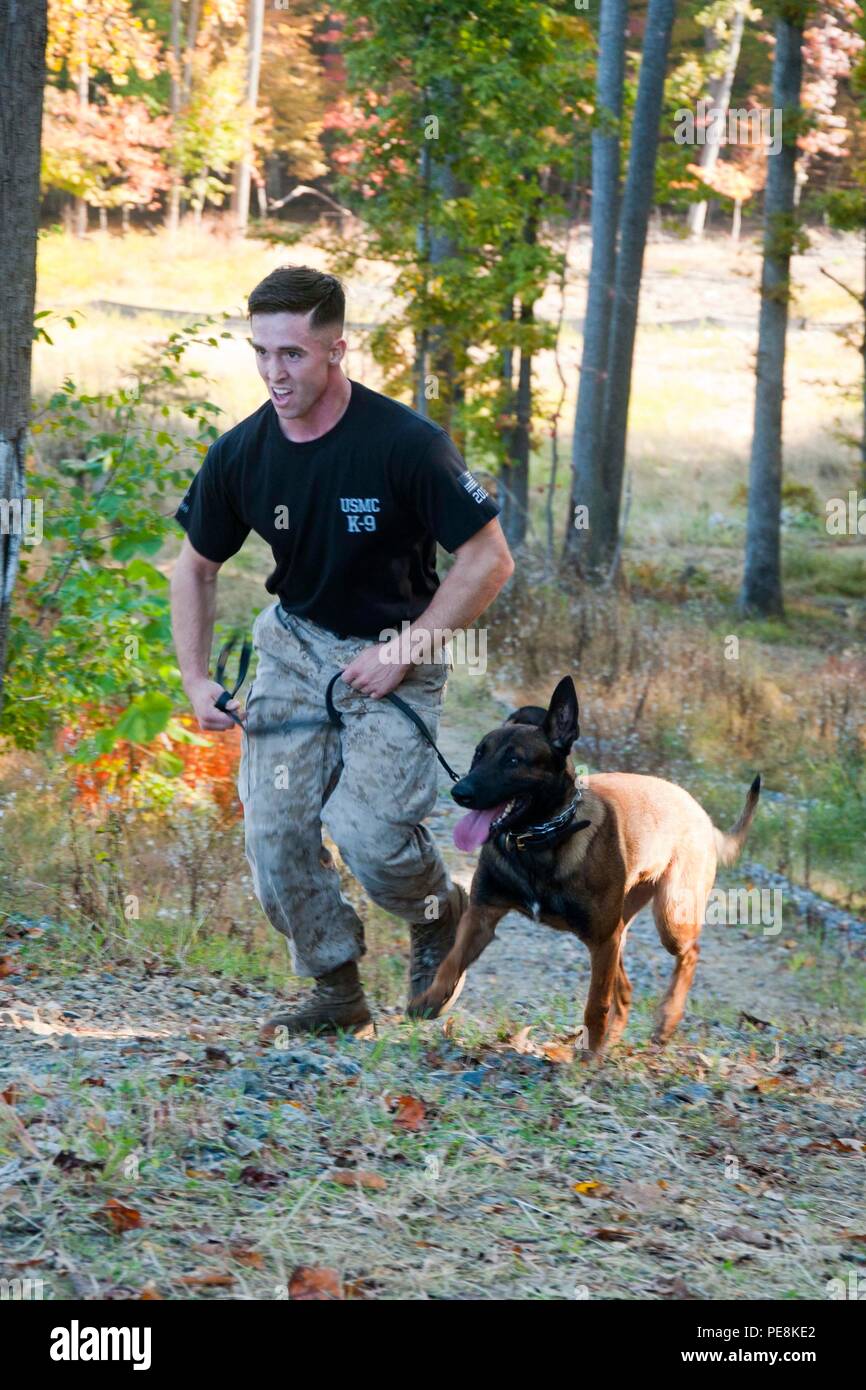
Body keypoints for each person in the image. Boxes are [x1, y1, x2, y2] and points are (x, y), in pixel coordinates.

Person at [171, 265, 513, 1039]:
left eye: (291, 353)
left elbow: (489, 559)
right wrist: (196, 681)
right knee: (274, 834)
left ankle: (441, 916)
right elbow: (194, 567)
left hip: (396, 651)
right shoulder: (242, 454)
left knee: (372, 839)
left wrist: (409, 646)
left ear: (336, 350)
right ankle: (335, 988)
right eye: (260, 351)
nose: (272, 372)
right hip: (294, 650)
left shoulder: (405, 444)